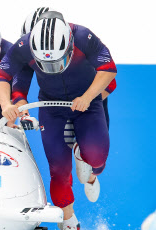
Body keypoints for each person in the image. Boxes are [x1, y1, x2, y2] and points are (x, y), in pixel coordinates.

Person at [0, 11, 117, 230]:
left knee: (98, 154)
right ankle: (69, 222)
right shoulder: (24, 46)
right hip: (52, 108)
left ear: (69, 46)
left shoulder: (83, 36)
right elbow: (4, 76)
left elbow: (109, 71)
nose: (52, 67)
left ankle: (87, 161)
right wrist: (8, 105)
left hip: (86, 104)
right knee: (58, 170)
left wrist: (89, 96)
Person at [20, 7, 117, 189]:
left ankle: (91, 175)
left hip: (89, 101)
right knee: (60, 165)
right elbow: (18, 84)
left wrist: (86, 100)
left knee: (97, 164)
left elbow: (110, 84)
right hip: (60, 105)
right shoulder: (25, 52)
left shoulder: (81, 44)